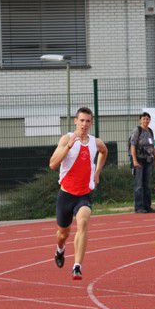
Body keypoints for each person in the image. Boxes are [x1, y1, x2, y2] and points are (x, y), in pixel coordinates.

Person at [49, 107, 108, 280]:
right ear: (76, 121)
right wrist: (68, 146)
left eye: (88, 121)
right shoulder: (67, 138)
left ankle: (77, 266)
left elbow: (104, 151)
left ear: (91, 123)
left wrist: (97, 172)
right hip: (66, 194)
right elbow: (52, 164)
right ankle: (60, 250)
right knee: (63, 234)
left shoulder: (95, 142)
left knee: (82, 222)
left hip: (84, 194)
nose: (84, 124)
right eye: (81, 120)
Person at [130, 112, 155, 213]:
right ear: (140, 120)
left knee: (147, 184)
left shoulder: (150, 131)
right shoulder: (137, 130)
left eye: (147, 119)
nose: (146, 120)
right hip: (139, 160)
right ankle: (139, 207)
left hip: (149, 160)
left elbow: (152, 146)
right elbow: (132, 145)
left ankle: (147, 206)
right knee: (139, 184)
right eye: (144, 119)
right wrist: (134, 160)